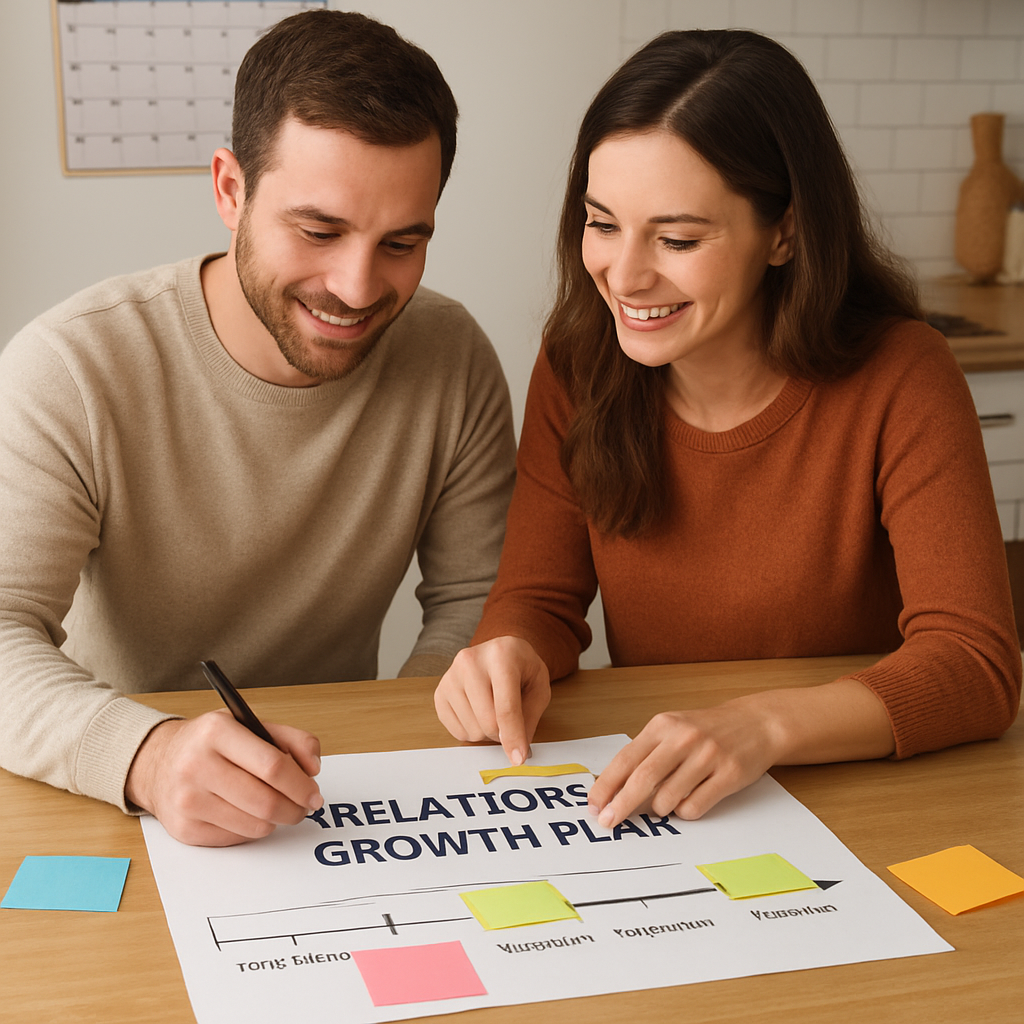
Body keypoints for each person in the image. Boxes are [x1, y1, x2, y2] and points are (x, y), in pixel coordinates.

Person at [434, 29, 1021, 829]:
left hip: (865, 799)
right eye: (603, 223)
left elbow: (976, 666)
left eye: (677, 239)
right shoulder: (578, 362)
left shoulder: (903, 374)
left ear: (784, 232)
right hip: (683, 803)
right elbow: (540, 598)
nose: (626, 276)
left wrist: (764, 725)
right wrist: (507, 652)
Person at [0, 10, 515, 846]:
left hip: (336, 804)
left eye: (402, 243)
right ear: (230, 190)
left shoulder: (451, 354)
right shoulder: (71, 367)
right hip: (112, 799)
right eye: (319, 231)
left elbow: (472, 601)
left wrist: (401, 752)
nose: (356, 286)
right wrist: (148, 756)